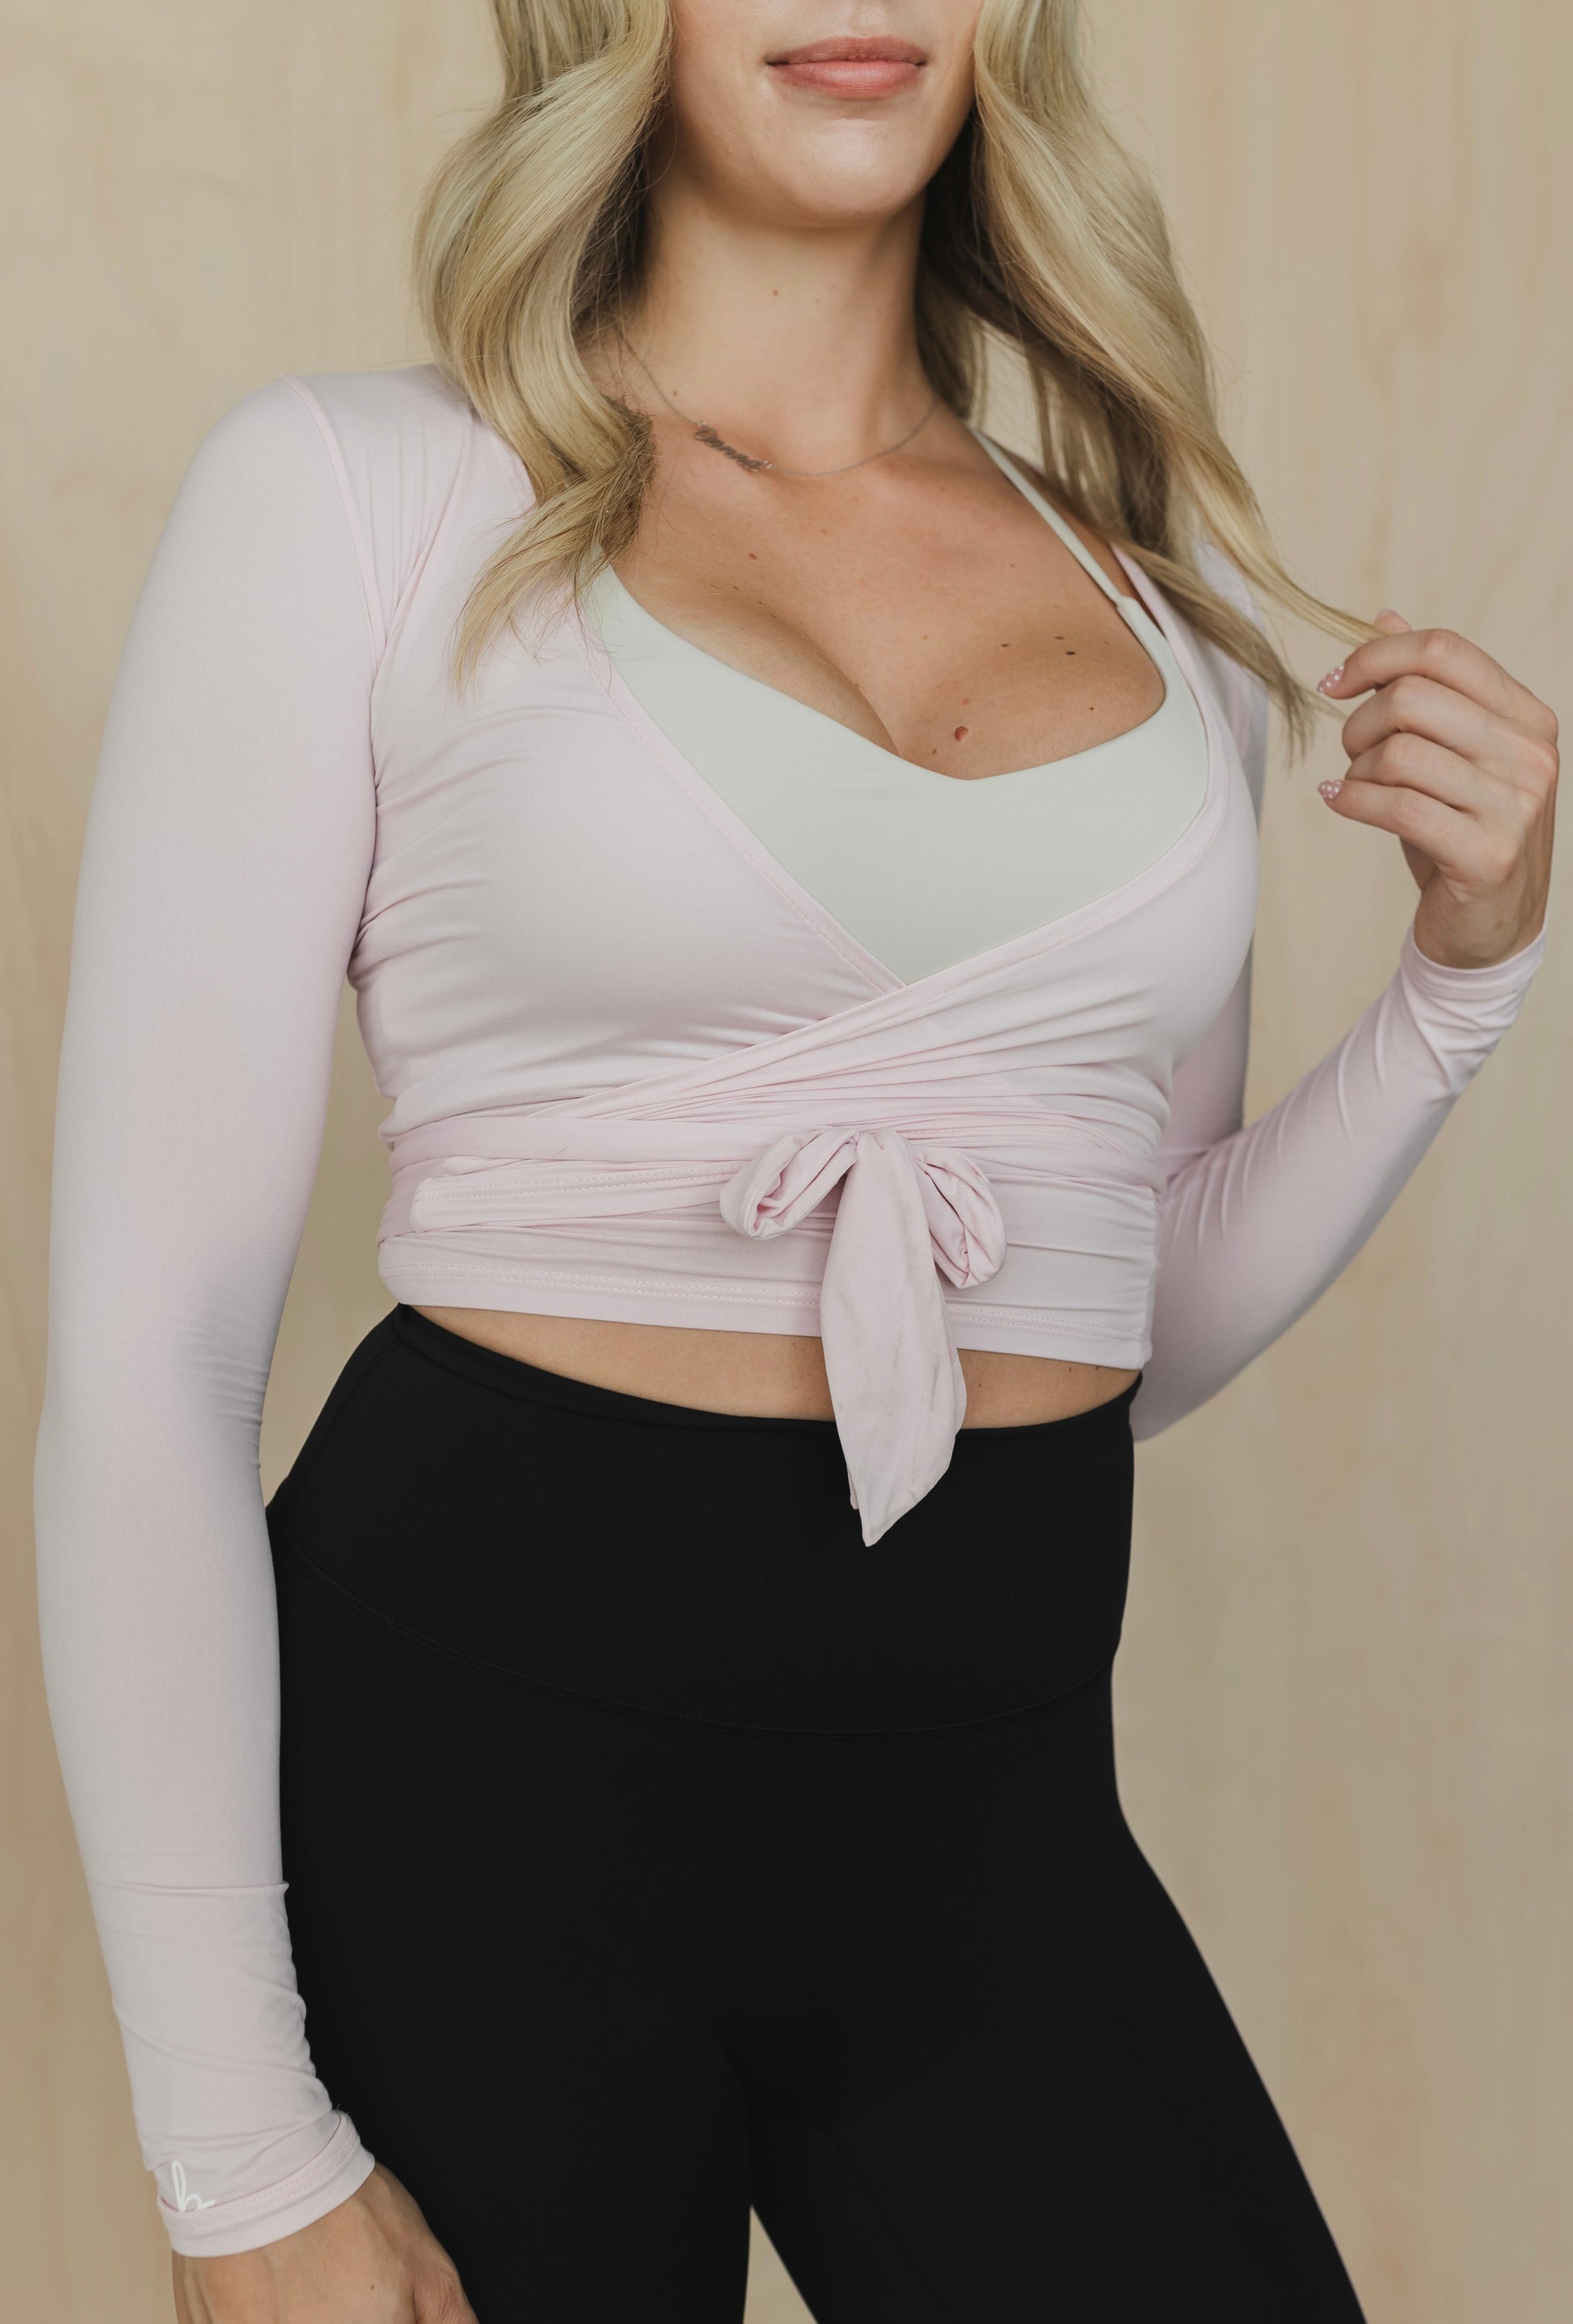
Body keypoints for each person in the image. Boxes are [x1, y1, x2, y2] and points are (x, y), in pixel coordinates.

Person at [33, 1, 1555, 2318]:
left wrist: (1460, 982)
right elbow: (151, 1358)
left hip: (989, 1815)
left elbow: (1115, 1317)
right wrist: (237, 2159)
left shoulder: (1169, 613)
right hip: (468, 1801)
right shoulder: (356, 494)